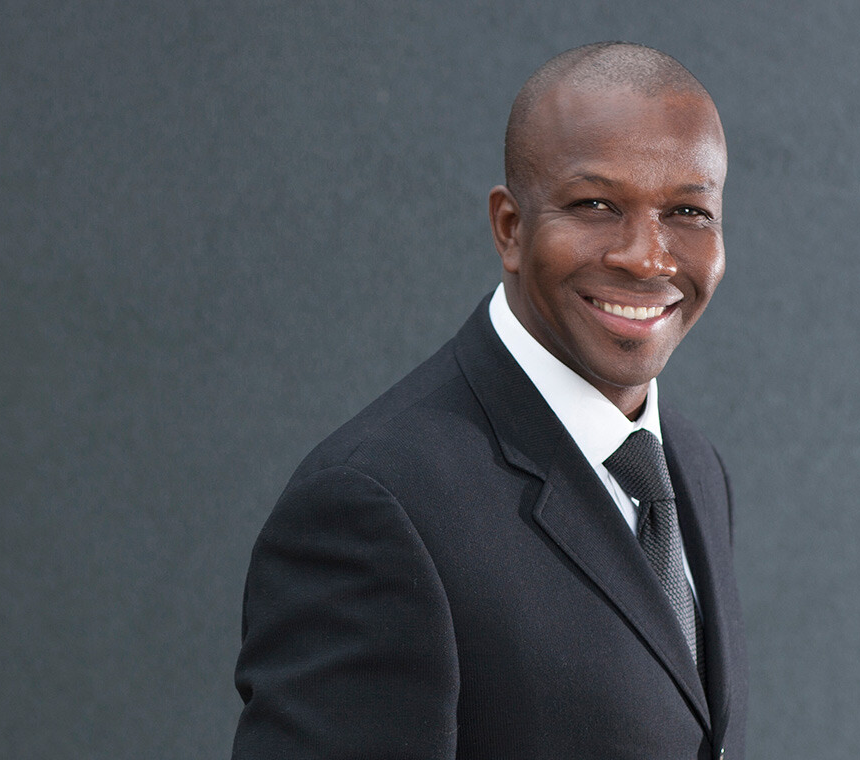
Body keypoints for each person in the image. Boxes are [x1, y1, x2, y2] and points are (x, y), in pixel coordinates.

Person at [231, 41, 748, 760]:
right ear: (510, 228)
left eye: (688, 211)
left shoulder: (691, 468)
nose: (646, 256)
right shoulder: (374, 506)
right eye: (595, 205)